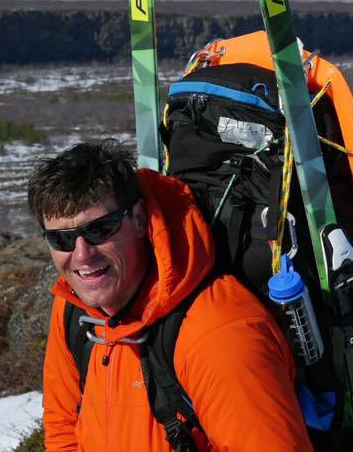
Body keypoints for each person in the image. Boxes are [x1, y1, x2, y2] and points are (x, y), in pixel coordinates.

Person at [28, 138, 313, 451]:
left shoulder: (219, 336)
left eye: (100, 230)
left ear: (138, 218)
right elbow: (63, 425)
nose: (82, 255)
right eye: (62, 239)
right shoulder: (74, 309)